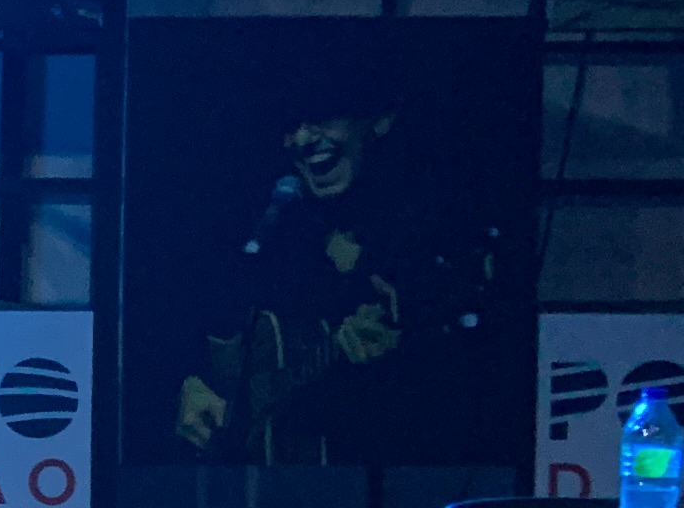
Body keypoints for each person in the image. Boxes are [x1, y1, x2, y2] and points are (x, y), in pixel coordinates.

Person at [171, 83, 502, 465]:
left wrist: (398, 356)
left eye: (322, 117)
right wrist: (190, 380)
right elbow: (207, 318)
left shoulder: (426, 229)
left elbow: (463, 379)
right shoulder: (277, 223)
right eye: (291, 126)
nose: (303, 139)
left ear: (380, 119)